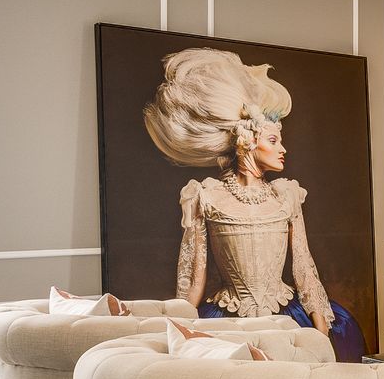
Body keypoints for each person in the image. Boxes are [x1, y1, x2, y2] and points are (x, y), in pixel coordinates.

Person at [142, 47, 361, 360]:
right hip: (229, 319)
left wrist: (321, 335)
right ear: (247, 143)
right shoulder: (206, 196)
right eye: (273, 140)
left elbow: (304, 268)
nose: (283, 149)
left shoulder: (286, 195)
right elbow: (193, 279)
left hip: (287, 316)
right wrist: (180, 337)